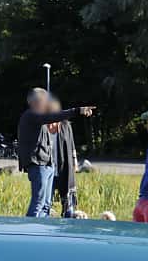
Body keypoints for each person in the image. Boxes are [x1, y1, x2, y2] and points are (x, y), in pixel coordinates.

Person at [15, 88, 96, 217]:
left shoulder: (38, 117)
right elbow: (53, 117)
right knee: (38, 202)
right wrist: (78, 110)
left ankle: (43, 228)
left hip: (47, 164)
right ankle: (30, 228)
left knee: (46, 205)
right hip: (39, 165)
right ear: (36, 102)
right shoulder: (31, 115)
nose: (47, 103)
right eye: (45, 101)